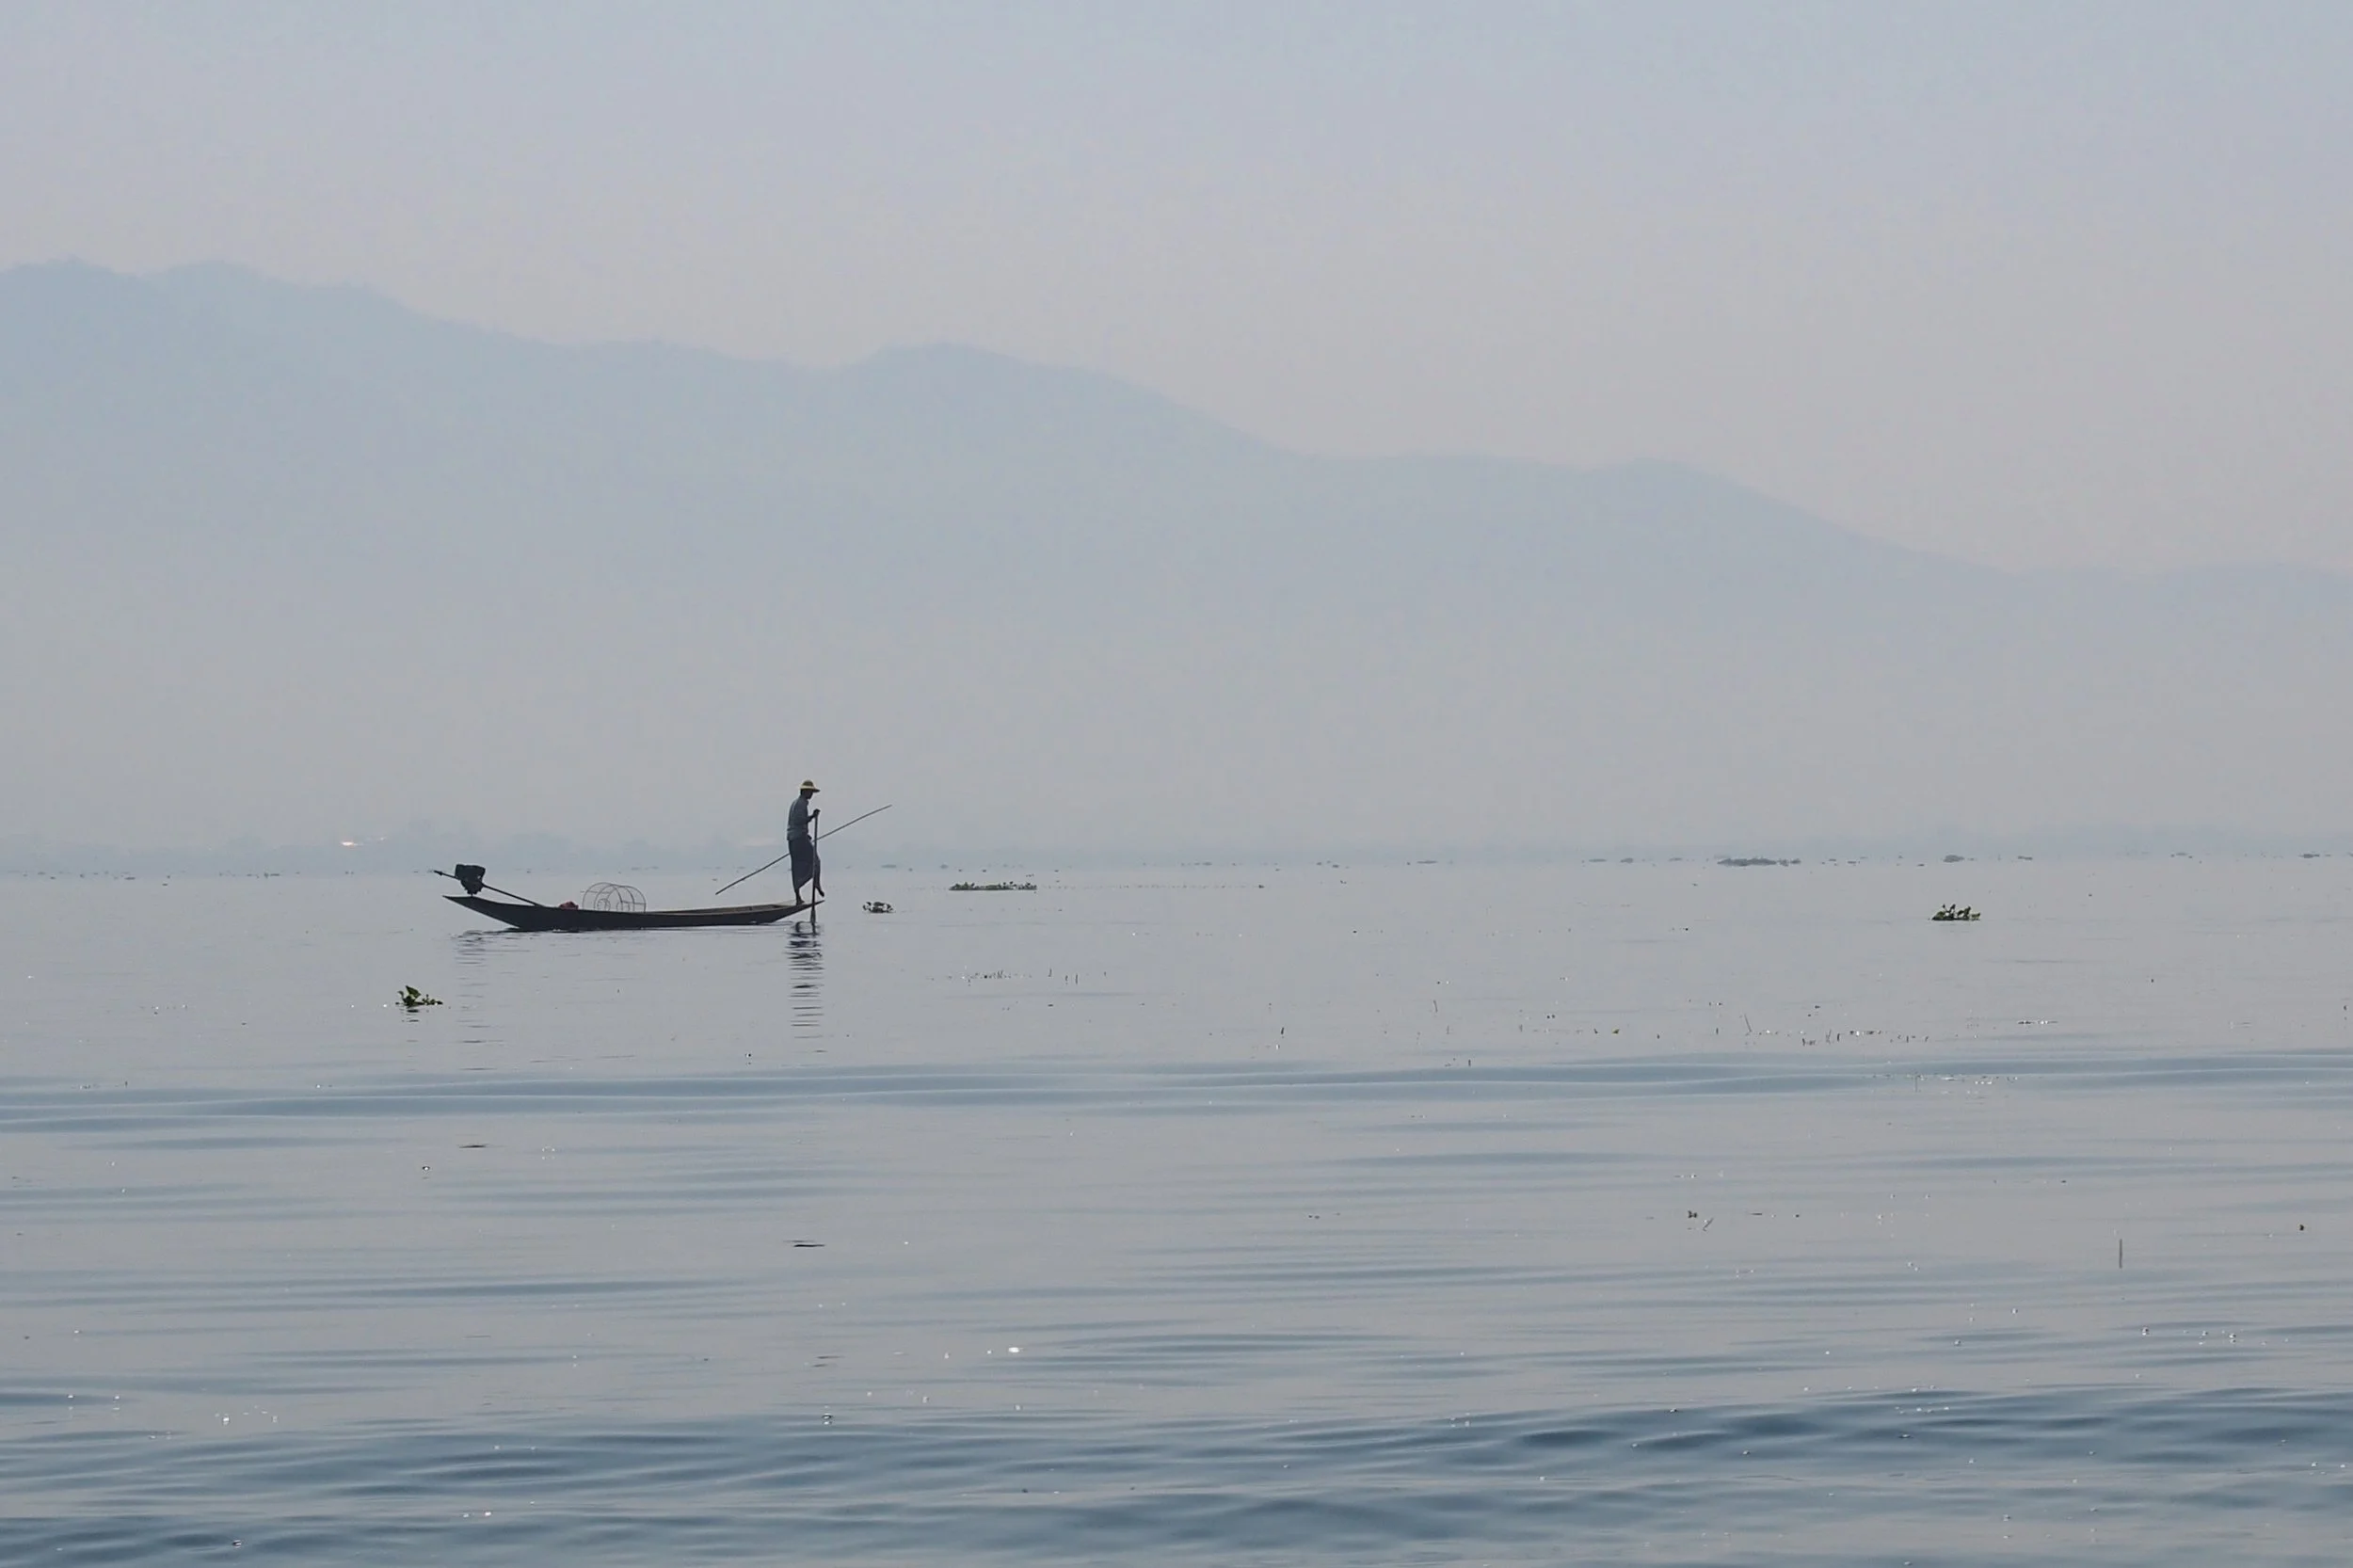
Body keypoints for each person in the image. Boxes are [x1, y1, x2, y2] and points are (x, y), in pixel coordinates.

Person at [787, 779, 823, 905]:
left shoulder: (796, 803)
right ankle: (816, 883)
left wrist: (806, 835)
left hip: (795, 838)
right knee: (816, 861)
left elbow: (796, 824)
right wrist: (812, 817)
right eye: (810, 792)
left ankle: (798, 896)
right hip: (798, 838)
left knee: (797, 866)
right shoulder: (801, 803)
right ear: (805, 792)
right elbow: (798, 821)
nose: (812, 795)